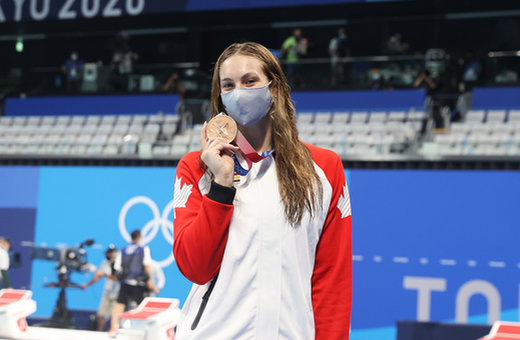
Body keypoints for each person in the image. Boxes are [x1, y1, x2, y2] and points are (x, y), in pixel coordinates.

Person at [173, 42, 352, 339]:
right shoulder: (197, 167)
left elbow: (333, 278)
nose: (238, 92)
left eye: (249, 81)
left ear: (275, 88)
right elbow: (196, 267)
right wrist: (221, 185)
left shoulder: (324, 168)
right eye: (227, 85)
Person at [109, 230, 156, 336]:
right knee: (140, 307)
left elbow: (117, 267)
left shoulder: (123, 250)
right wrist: (149, 280)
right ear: (140, 237)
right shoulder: (144, 249)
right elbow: (147, 266)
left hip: (125, 283)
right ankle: (141, 331)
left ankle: (112, 329)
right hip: (138, 283)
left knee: (119, 306)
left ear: (131, 238)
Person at [82, 245, 120, 331]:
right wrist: (87, 285)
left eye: (110, 253)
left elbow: (117, 277)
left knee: (115, 316)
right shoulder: (105, 262)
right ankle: (100, 334)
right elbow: (98, 276)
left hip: (118, 294)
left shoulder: (120, 263)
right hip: (107, 292)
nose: (108, 255)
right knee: (101, 315)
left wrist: (105, 274)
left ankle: (113, 334)